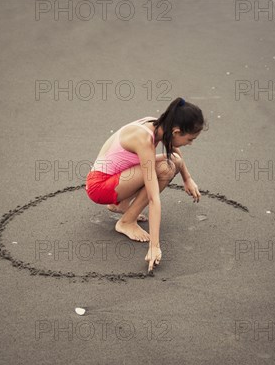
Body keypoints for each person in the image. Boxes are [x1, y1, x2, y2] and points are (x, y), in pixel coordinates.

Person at [85, 97, 206, 272]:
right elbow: (153, 197)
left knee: (174, 162)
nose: (191, 143)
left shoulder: (156, 124)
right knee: (166, 168)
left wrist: (187, 178)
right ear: (177, 131)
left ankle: (119, 204)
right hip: (99, 187)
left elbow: (172, 147)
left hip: (114, 178)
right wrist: (154, 246)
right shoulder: (143, 140)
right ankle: (126, 222)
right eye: (190, 139)